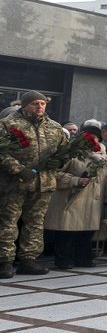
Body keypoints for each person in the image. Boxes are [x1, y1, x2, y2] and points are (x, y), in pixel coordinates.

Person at [0, 91, 69, 277]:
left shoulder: (55, 128)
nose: (39, 107)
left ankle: (29, 260)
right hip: (13, 184)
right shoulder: (8, 124)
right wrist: (17, 169)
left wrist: (61, 162)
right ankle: (4, 261)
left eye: (42, 103)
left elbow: (65, 153)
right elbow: (2, 152)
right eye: (35, 103)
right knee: (7, 222)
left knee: (35, 223)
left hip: (43, 183)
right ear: (24, 105)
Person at [44, 120, 107, 270]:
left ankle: (83, 257)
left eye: (95, 137)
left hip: (93, 201)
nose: (92, 140)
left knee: (86, 232)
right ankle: (63, 259)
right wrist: (75, 180)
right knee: (67, 232)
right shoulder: (71, 153)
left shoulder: (103, 155)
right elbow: (54, 173)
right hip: (71, 199)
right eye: (89, 136)